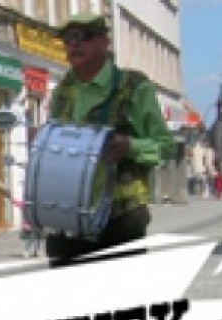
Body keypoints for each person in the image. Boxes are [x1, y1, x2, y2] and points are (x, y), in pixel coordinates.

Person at [45, 13, 174, 264]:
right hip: (70, 216)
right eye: (67, 38)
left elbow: (165, 146)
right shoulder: (62, 91)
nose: (73, 44)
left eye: (83, 36)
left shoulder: (134, 86)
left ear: (105, 42)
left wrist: (130, 147)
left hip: (122, 215)